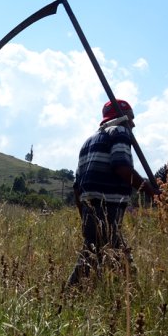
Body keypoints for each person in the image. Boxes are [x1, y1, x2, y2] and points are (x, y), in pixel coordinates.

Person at [65, 99, 157, 289]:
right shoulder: (120, 133)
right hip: (108, 209)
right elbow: (122, 167)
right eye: (131, 118)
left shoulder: (88, 141)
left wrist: (83, 213)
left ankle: (129, 296)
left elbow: (76, 185)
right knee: (92, 260)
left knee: (116, 257)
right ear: (122, 118)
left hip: (91, 208)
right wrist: (151, 192)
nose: (133, 124)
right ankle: (68, 297)